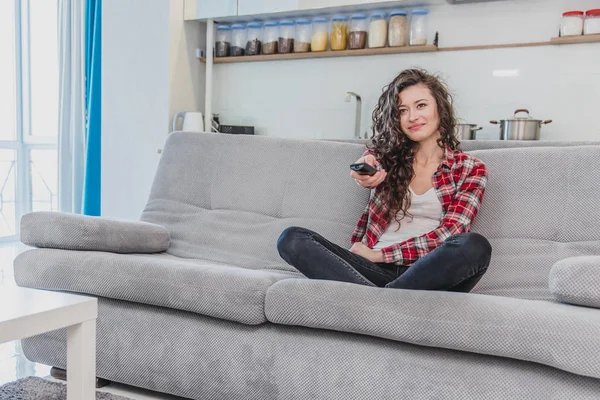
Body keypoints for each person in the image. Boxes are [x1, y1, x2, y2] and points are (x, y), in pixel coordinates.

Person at [277, 68, 491, 292]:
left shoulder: (470, 168)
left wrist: (380, 255)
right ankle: (391, 302)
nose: (412, 117)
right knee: (291, 239)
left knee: (474, 246)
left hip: (428, 273)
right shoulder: (387, 157)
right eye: (402, 110)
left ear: (440, 108)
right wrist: (362, 172)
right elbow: (371, 162)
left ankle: (376, 299)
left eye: (421, 105)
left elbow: (452, 232)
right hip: (370, 269)